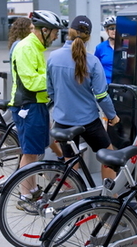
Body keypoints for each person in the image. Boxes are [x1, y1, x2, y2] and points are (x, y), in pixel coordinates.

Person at [47, 15, 120, 181]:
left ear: (69, 32)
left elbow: (50, 91)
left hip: (63, 119)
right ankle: (111, 197)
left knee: (70, 162)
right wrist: (112, 116)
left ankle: (75, 200)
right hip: (89, 121)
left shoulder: (53, 57)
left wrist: (63, 103)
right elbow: (101, 95)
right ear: (89, 36)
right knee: (108, 156)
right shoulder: (93, 61)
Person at [8, 10, 63, 207]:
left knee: (33, 152)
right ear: (45, 30)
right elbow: (31, 82)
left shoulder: (35, 48)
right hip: (27, 106)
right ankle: (24, 196)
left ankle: (31, 190)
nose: (57, 36)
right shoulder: (25, 48)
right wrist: (55, 79)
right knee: (29, 153)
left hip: (35, 105)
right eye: (55, 32)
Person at [94, 16, 116, 84]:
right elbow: (95, 68)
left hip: (122, 85)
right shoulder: (100, 48)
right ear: (107, 30)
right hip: (106, 85)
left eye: (117, 28)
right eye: (112, 28)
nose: (115, 30)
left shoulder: (126, 47)